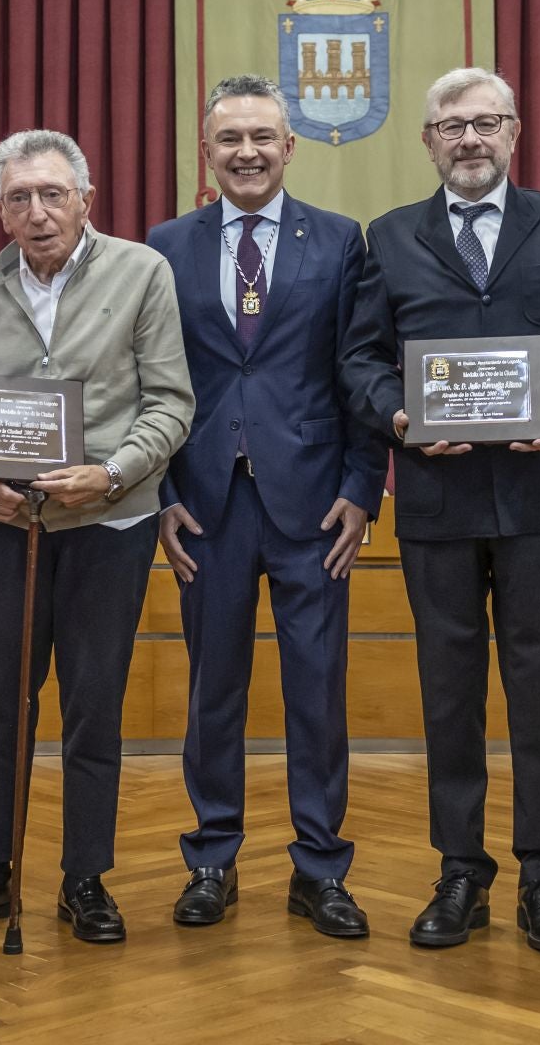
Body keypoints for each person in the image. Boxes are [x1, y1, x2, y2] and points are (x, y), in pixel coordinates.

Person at [341, 67, 540, 954]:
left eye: (485, 124)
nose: (469, 140)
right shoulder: (389, 236)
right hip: (436, 500)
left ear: (514, 133)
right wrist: (398, 414)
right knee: (449, 694)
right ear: (427, 141)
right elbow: (359, 359)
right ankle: (461, 871)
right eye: (451, 127)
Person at [0, 129, 193, 944]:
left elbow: (172, 403)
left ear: (85, 200)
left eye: (52, 195)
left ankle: (86, 878)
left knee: (93, 705)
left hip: (109, 523)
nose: (37, 214)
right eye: (18, 199)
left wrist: (110, 475)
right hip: (6, 531)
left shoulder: (143, 272)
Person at [146, 75, 386, 937]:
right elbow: (150, 378)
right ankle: (212, 857)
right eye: (228, 139)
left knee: (317, 692)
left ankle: (320, 867)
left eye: (262, 138)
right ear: (205, 152)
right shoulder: (165, 245)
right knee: (214, 688)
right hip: (203, 505)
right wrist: (162, 495)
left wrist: (364, 486)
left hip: (314, 504)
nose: (245, 152)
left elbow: (360, 370)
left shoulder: (340, 241)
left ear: (291, 147)